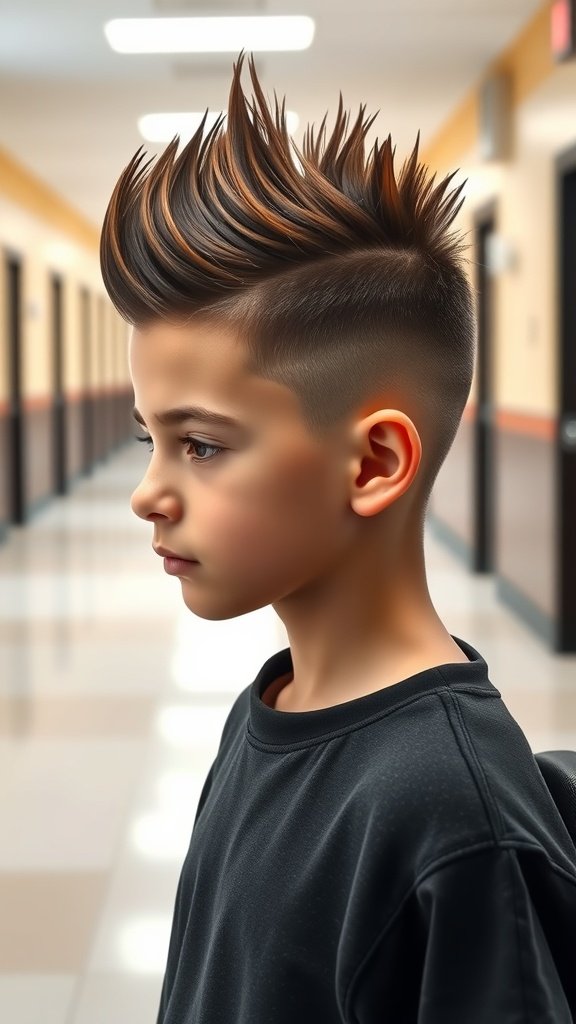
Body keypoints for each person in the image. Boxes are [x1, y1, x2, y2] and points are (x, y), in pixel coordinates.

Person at [100, 53, 576, 1024]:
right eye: (150, 439)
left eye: (200, 444)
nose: (150, 493)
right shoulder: (269, 707)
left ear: (371, 465)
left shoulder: (452, 815)